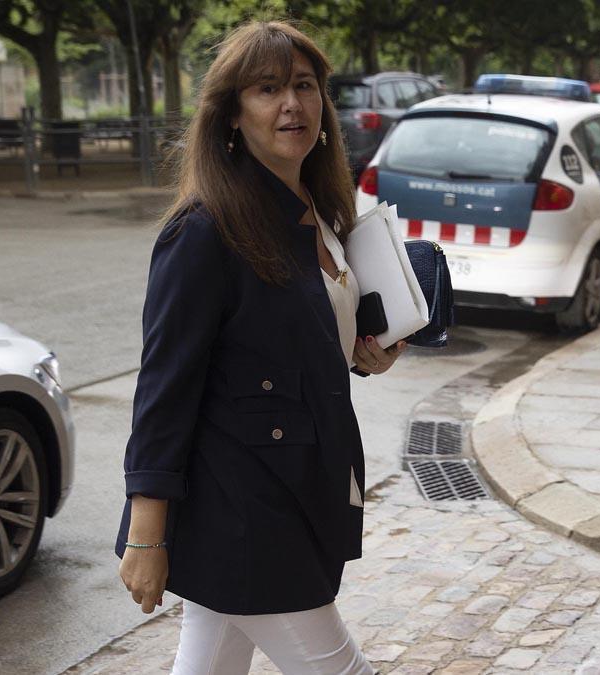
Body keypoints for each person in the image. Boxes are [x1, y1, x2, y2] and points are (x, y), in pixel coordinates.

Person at [115, 20, 406, 674]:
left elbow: (298, 341)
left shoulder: (321, 213)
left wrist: (364, 352)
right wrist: (146, 532)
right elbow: (164, 391)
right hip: (247, 511)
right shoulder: (203, 232)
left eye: (304, 86)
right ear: (232, 115)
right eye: (267, 88)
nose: (291, 105)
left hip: (298, 489)